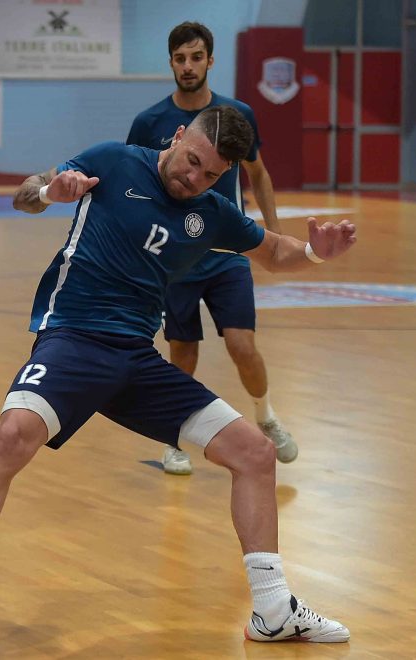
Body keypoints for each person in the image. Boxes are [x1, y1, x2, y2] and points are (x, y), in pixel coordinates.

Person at [0, 106, 354, 643]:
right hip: (73, 340)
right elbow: (25, 195)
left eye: (210, 174)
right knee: (15, 432)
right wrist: (51, 192)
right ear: (178, 136)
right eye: (192, 161)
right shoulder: (113, 161)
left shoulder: (211, 212)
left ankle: (273, 609)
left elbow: (273, 252)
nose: (195, 178)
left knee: (254, 453)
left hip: (136, 360)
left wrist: (315, 254)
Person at [127, 22, 294, 475]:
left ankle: (266, 415)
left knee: (242, 345)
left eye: (196, 57)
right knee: (182, 352)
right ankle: (173, 439)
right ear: (170, 63)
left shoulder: (237, 114)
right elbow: (134, 182)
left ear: (210, 61)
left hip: (226, 257)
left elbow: (258, 173)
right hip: (175, 259)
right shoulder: (149, 122)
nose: (188, 66)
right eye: (180, 58)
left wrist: (275, 235)